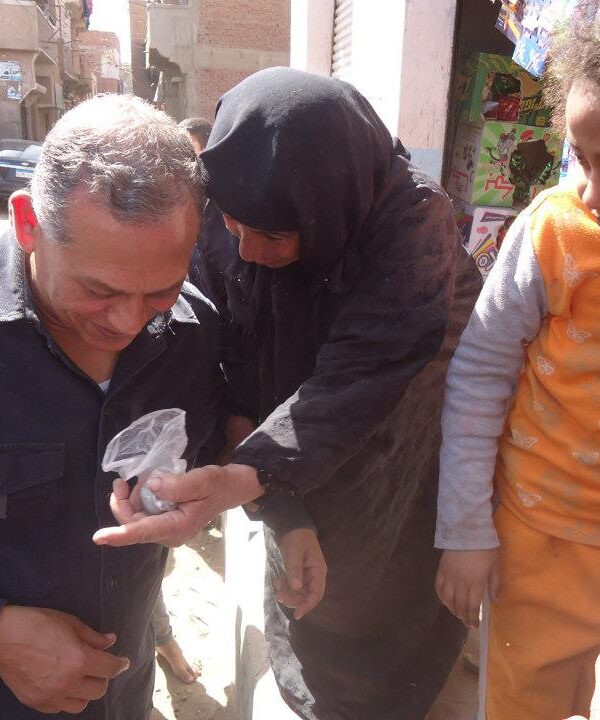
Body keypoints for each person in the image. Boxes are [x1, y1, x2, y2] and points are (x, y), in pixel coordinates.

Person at [96, 67, 482, 720]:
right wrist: (272, 498)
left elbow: (366, 373)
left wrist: (247, 476)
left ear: (329, 206)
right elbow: (219, 354)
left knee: (377, 574)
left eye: (275, 235)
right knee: (305, 578)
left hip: (396, 435)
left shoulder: (414, 225)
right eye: (235, 225)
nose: (246, 251)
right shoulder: (229, 207)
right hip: (287, 442)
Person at [0, 93, 323, 720]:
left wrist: (287, 515)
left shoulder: (192, 335)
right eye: (98, 290)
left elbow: (221, 447)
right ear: (29, 223)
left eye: (159, 291)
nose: (127, 322)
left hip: (124, 687)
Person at [435, 2, 600, 718]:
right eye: (584, 156)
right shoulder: (553, 232)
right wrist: (467, 531)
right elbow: (479, 377)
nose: (592, 188)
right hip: (540, 537)